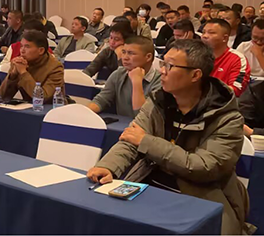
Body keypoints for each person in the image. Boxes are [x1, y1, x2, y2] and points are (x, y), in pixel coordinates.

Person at [87, 39, 250, 235]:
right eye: (162, 63)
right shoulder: (158, 101)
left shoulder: (226, 118)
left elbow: (204, 167)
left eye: (170, 66)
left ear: (195, 75)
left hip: (201, 198)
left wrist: (147, 142)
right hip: (149, 185)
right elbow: (130, 140)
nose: (162, 71)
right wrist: (108, 167)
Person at [88, 36, 162, 117]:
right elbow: (101, 100)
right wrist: (85, 114)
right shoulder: (119, 74)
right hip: (123, 124)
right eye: (123, 52)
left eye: (131, 53)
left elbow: (143, 116)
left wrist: (136, 83)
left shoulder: (160, 82)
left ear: (148, 57)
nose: (125, 57)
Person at [0, 30, 65, 103]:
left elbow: (44, 98)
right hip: (27, 106)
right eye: (21, 46)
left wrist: (23, 73)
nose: (22, 51)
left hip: (51, 107)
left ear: (41, 50)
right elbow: (4, 95)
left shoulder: (55, 68)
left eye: (27, 47)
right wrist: (13, 75)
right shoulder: (20, 63)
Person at [202, 19, 250, 97]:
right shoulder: (196, 55)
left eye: (211, 33)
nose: (205, 36)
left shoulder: (237, 58)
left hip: (222, 101)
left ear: (224, 38)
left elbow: (236, 89)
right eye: (203, 32)